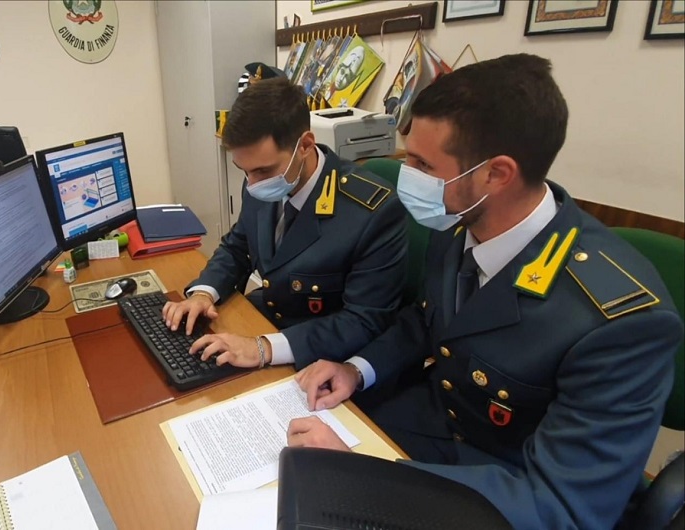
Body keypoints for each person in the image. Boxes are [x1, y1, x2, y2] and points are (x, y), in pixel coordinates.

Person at [288, 54, 683, 529]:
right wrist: (356, 369)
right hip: (431, 428)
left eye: (421, 163)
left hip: (505, 491)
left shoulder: (621, 321)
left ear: (496, 174)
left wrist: (372, 476)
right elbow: (427, 319)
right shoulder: (459, 220)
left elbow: (559, 507)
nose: (405, 174)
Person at [162, 77, 407, 371]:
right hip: (264, 322)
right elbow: (239, 245)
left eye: (263, 170)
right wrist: (204, 293)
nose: (252, 184)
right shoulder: (263, 181)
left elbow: (363, 320)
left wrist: (263, 348)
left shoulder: (372, 212)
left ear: (304, 145)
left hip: (321, 358)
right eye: (244, 171)